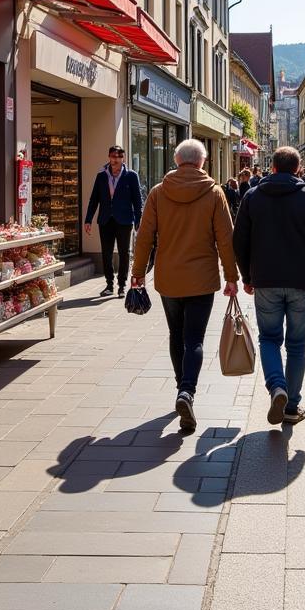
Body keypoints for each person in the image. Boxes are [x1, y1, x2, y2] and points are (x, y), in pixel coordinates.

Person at [131, 139, 239, 432]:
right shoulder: (214, 193)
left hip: (168, 278)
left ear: (177, 160)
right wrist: (232, 276)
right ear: (202, 162)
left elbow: (144, 237)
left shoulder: (158, 192)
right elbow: (225, 239)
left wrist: (138, 272)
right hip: (202, 278)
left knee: (175, 334)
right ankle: (187, 391)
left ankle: (181, 388)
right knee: (195, 339)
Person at [233, 145, 305, 425]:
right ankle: (291, 405)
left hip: (265, 279)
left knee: (268, 338)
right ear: (299, 169)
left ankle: (276, 386)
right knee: (296, 345)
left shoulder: (253, 197)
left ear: (274, 168)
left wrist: (246, 275)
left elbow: (239, 241)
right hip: (303, 282)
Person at [84, 145, 143, 297]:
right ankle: (109, 284)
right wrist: (88, 219)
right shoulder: (101, 175)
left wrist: (139, 221)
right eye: (112, 156)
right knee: (106, 253)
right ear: (109, 157)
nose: (115, 159)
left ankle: (122, 285)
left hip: (124, 220)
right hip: (105, 220)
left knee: (124, 253)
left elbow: (137, 200)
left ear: (123, 158)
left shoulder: (131, 175)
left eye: (118, 157)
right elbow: (94, 199)